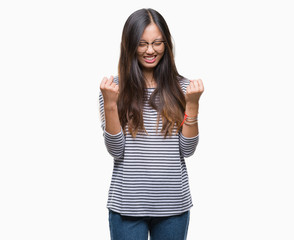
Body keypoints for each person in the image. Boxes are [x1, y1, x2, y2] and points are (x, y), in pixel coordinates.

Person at [99, 8, 204, 240]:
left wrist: (193, 105)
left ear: (166, 44)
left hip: (173, 207)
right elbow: (116, 150)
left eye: (157, 43)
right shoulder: (113, 89)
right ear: (129, 45)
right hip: (127, 207)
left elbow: (187, 150)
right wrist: (110, 104)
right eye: (142, 43)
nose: (150, 50)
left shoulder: (183, 88)